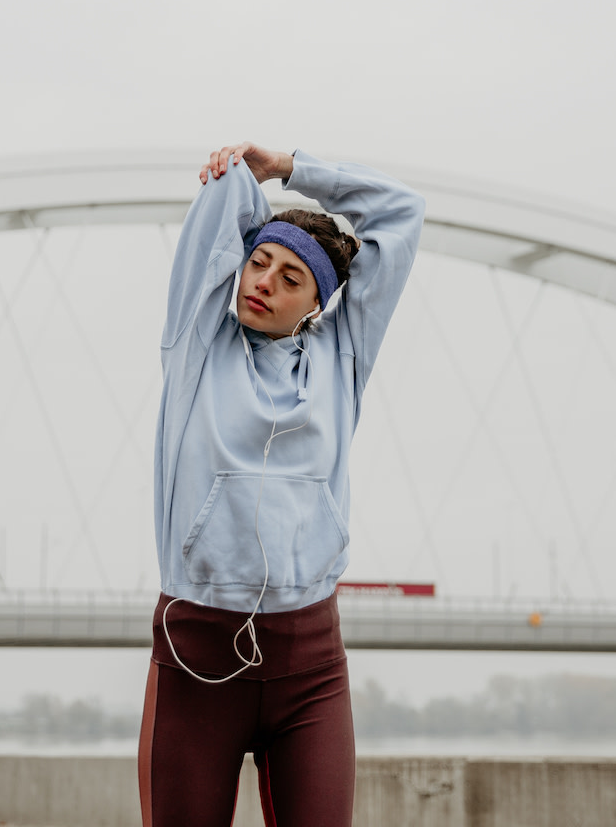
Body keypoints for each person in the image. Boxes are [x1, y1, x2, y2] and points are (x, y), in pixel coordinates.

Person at [139, 142, 425, 826]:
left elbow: (401, 212)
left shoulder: (341, 358)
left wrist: (291, 169)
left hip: (310, 668)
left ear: (318, 305)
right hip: (197, 661)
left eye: (290, 276)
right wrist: (241, 172)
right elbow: (221, 209)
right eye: (258, 261)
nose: (262, 281)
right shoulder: (195, 346)